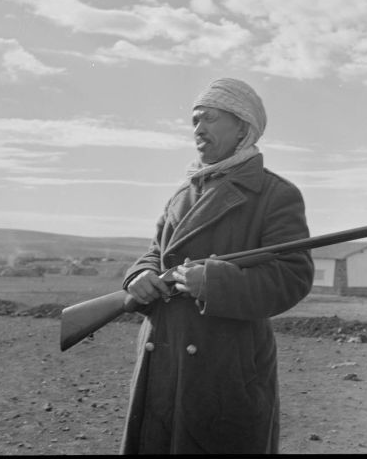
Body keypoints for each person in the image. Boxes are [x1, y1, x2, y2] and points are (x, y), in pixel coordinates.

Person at [120, 78, 314, 454]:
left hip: (224, 367)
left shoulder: (275, 194)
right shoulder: (184, 191)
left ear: (243, 127)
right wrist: (139, 276)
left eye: (210, 118)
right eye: (194, 120)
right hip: (163, 355)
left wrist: (214, 282)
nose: (198, 129)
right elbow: (155, 252)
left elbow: (293, 277)